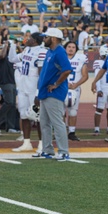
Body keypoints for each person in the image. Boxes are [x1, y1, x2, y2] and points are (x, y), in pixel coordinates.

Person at [33, 27, 73, 161]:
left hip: (54, 92)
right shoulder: (51, 51)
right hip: (46, 91)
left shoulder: (59, 52)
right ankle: (47, 149)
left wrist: (56, 84)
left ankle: (63, 151)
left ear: (53, 38)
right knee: (44, 122)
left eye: (46, 37)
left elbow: (67, 70)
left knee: (57, 122)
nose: (44, 39)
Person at [8, 32, 47, 153]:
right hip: (23, 86)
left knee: (39, 116)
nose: (27, 39)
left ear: (35, 40)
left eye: (29, 38)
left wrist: (38, 92)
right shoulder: (27, 50)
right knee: (24, 114)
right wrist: (13, 46)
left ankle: (42, 144)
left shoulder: (41, 52)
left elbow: (42, 73)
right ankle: (26, 142)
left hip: (33, 86)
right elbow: (12, 59)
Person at [64, 40, 89, 142]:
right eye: (69, 46)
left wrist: (76, 84)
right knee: (60, 112)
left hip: (75, 89)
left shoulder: (81, 59)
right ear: (65, 48)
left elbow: (85, 76)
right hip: (62, 88)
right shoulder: (60, 58)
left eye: (73, 47)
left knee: (73, 112)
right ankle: (60, 132)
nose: (70, 49)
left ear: (76, 49)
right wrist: (64, 84)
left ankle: (71, 132)